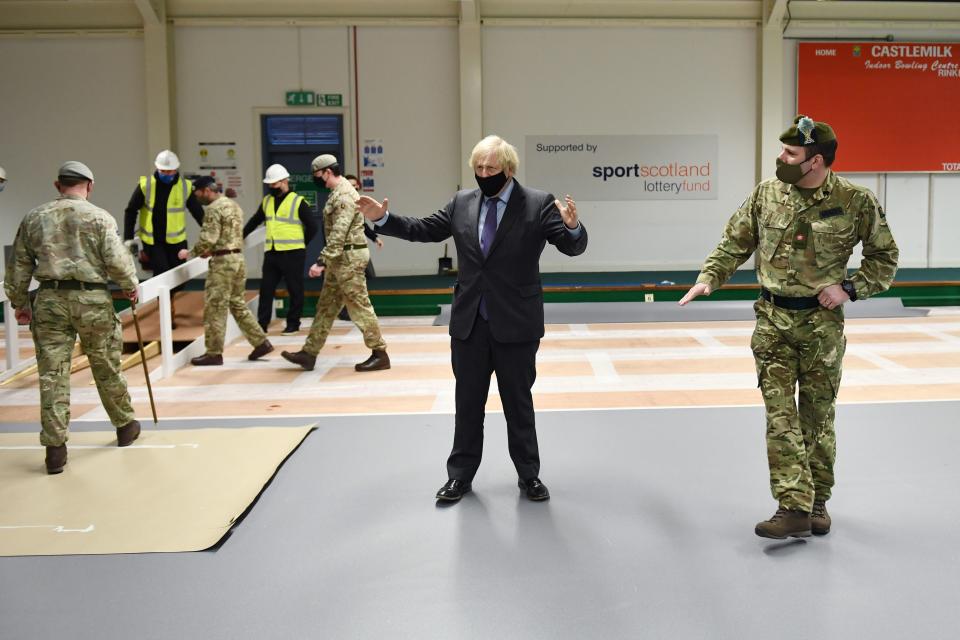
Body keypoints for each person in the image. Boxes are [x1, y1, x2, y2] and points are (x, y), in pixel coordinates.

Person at [679, 115, 899, 539]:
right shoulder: (768, 193)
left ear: (815, 161)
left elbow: (884, 256)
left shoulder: (856, 201)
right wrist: (709, 277)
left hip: (821, 328)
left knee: (817, 417)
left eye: (790, 153)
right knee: (780, 415)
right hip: (773, 322)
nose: (781, 158)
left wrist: (849, 289)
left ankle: (817, 501)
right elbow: (734, 241)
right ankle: (792, 505)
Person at [357, 135, 587, 503]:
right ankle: (459, 477)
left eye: (491, 168)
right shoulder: (463, 202)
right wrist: (382, 219)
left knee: (518, 404)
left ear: (508, 169)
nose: (484, 174)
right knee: (467, 404)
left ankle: (529, 475)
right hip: (470, 325)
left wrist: (573, 227)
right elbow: (424, 229)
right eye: (478, 168)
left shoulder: (538, 203)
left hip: (516, 323)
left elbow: (571, 246)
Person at [4, 161, 143, 474]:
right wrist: (130, 287)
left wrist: (19, 302)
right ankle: (124, 426)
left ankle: (55, 449)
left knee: (53, 374)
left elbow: (18, 267)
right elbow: (118, 261)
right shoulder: (100, 217)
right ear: (90, 186)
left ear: (58, 186)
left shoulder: (34, 217)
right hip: (92, 300)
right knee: (106, 365)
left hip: (50, 301)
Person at [281, 155, 390, 373]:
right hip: (340, 259)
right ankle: (309, 353)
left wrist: (322, 261)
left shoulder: (344, 195)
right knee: (326, 307)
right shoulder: (337, 193)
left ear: (327, 172)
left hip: (348, 259)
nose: (316, 180)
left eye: (317, 175)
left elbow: (339, 231)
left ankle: (380, 354)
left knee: (359, 306)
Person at [178, 177, 274, 366]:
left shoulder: (213, 209)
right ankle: (260, 342)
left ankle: (214, 353)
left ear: (206, 190)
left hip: (222, 263)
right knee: (237, 303)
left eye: (197, 193)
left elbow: (209, 238)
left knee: (215, 307)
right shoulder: (234, 206)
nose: (197, 198)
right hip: (238, 259)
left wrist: (189, 253)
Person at [123, 150, 204, 326]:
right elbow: (131, 210)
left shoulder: (184, 187)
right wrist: (129, 238)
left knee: (181, 278)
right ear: (157, 169)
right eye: (163, 171)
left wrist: (209, 232)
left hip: (177, 241)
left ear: (176, 169)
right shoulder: (146, 185)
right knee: (163, 277)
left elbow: (198, 212)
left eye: (170, 171)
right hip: (154, 241)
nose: (167, 174)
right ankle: (167, 317)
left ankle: (171, 300)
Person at [242, 164, 319, 335]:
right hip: (272, 252)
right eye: (269, 184)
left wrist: (301, 243)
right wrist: (240, 236)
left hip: (293, 253)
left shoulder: (298, 202)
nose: (271, 187)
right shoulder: (267, 201)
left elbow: (313, 227)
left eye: (274, 184)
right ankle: (262, 325)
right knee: (266, 289)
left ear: (285, 181)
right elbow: (255, 221)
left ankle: (293, 323)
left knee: (295, 289)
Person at [338, 174, 382, 320]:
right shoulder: (340, 204)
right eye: (350, 185)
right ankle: (347, 310)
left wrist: (375, 238)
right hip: (346, 249)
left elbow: (364, 226)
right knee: (349, 280)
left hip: (359, 249)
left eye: (356, 185)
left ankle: (354, 308)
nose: (354, 187)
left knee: (366, 276)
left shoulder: (359, 204)